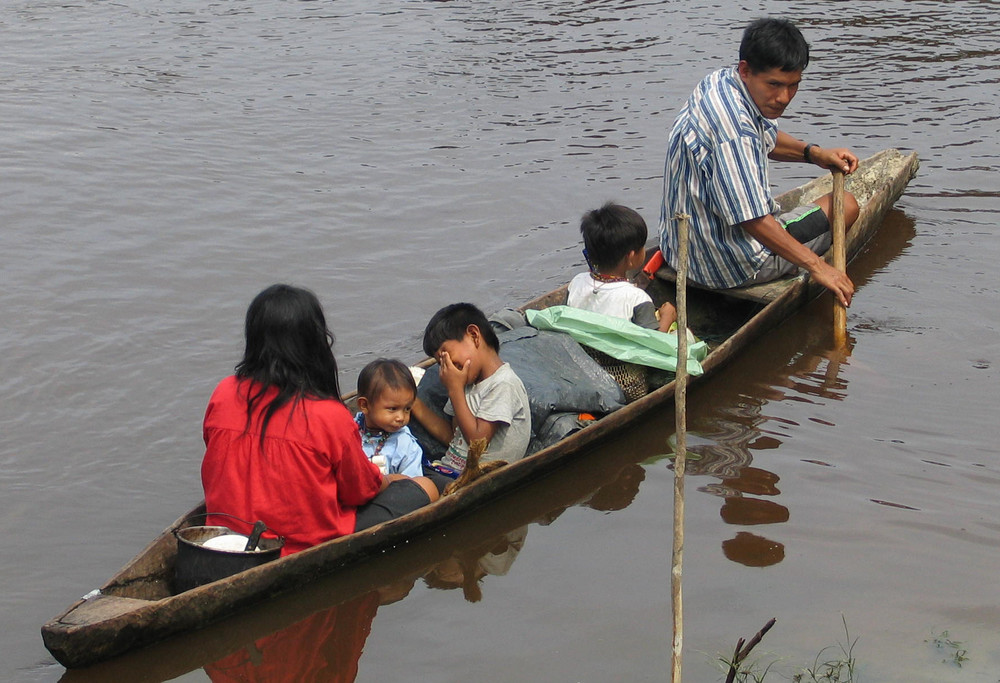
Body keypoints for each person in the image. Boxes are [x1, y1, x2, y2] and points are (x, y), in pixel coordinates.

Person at [201, 284, 439, 557]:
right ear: (315, 343)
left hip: (225, 536)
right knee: (426, 487)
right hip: (296, 544)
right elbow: (359, 492)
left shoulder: (224, 391)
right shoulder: (328, 415)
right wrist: (390, 480)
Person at [658, 17, 861, 307]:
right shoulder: (735, 132)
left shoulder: (720, 83)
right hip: (729, 266)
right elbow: (752, 220)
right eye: (775, 84)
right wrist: (819, 267)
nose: (783, 97)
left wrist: (814, 154)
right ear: (746, 70)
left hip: (680, 251)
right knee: (848, 205)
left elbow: (765, 135)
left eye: (793, 86)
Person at [410, 303, 531, 475]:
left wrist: (455, 390)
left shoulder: (503, 383)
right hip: (447, 470)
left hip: (470, 477)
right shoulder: (466, 385)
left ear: (474, 336)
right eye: (440, 363)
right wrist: (413, 402)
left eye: (446, 355)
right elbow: (455, 437)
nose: (446, 367)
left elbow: (477, 442)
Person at [568, 202, 678, 332]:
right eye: (642, 246)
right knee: (684, 335)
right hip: (617, 352)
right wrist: (667, 318)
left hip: (582, 348)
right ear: (631, 257)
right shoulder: (637, 298)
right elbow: (653, 344)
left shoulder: (577, 282)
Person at [354, 358, 424, 478]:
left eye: (407, 409)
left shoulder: (405, 444)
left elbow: (412, 486)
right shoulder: (350, 430)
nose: (401, 417)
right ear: (364, 405)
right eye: (392, 409)